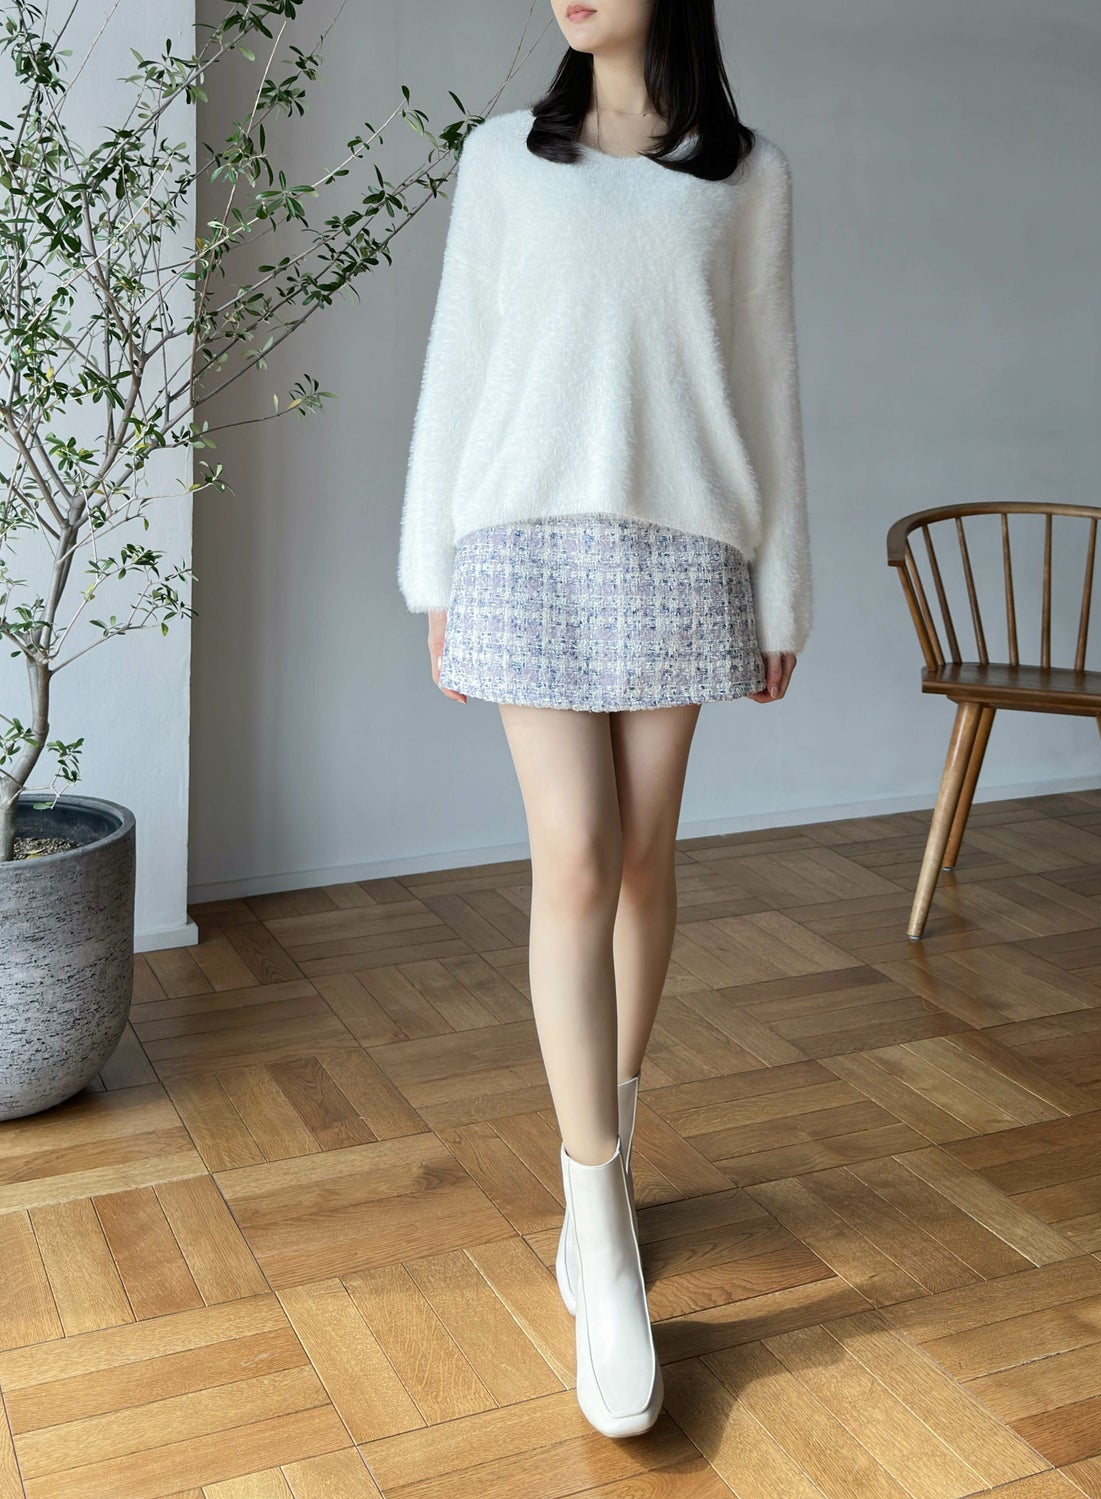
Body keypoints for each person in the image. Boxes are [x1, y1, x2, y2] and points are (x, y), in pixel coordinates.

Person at [396, 0, 813, 1439]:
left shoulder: (746, 176)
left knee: (641, 860)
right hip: (520, 541)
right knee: (574, 856)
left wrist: (782, 594)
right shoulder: (503, 158)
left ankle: (610, 1157)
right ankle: (601, 1237)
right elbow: (460, 359)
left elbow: (767, 388)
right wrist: (432, 570)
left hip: (685, 546)